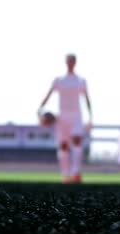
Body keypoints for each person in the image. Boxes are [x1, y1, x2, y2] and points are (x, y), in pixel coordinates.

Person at [38, 54, 93, 183]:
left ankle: (76, 173)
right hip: (62, 117)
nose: (70, 63)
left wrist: (91, 118)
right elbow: (48, 95)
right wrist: (40, 110)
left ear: (75, 62)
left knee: (77, 142)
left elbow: (87, 99)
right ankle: (65, 174)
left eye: (72, 61)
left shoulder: (81, 81)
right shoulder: (59, 80)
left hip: (76, 116)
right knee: (63, 146)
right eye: (68, 61)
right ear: (66, 62)